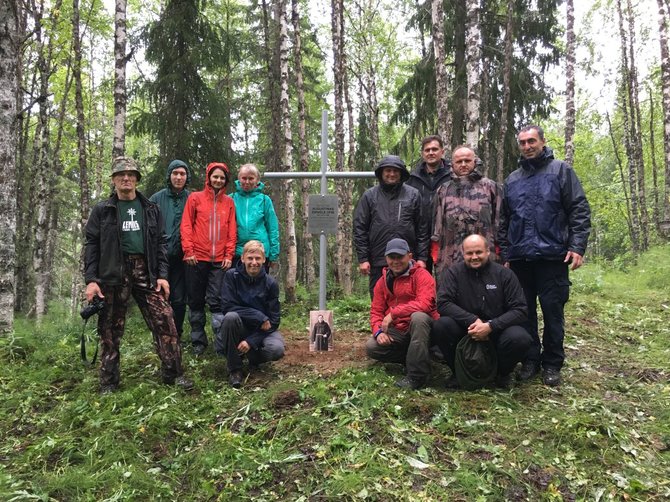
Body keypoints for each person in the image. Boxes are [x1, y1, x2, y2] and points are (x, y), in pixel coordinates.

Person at [83, 156, 193, 393]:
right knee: (110, 329)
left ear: (137, 179)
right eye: (121, 175)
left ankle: (173, 375)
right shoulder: (103, 210)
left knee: (165, 318)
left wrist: (162, 276)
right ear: (113, 179)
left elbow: (161, 243)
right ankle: (109, 383)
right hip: (113, 272)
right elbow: (91, 244)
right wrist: (91, 280)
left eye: (131, 175)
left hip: (146, 269)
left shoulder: (150, 209)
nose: (126, 178)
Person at [498, 125, 591, 386]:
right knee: (523, 312)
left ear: (542, 142)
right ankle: (530, 360)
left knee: (553, 313)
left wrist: (577, 246)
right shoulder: (513, 179)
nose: (527, 147)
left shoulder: (561, 171)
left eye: (531, 141)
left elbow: (579, 210)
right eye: (523, 143)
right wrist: (506, 253)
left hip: (553, 257)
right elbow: (504, 219)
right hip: (519, 259)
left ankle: (552, 363)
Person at [431, 234, 532, 390]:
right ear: (463, 253)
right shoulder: (454, 273)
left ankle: (502, 373)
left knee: (520, 337)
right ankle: (457, 372)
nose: (474, 257)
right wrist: (472, 320)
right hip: (466, 329)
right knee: (441, 325)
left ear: (487, 251)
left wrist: (491, 326)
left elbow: (520, 309)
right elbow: (443, 303)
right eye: (469, 253)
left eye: (478, 252)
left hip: (497, 331)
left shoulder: (504, 274)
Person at [365, 238, 439, 390]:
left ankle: (417, 376)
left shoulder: (422, 276)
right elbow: (376, 311)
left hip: (424, 328)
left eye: (400, 257)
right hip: (398, 330)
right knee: (372, 346)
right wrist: (378, 332)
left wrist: (394, 314)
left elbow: (425, 304)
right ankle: (414, 357)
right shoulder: (382, 281)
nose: (396, 261)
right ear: (386, 259)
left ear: (410, 256)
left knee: (418, 317)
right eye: (392, 257)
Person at [180, 162, 237, 355]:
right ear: (208, 177)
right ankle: (198, 341)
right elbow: (187, 225)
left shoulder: (229, 202)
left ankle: (220, 343)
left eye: (222, 178)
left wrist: (229, 255)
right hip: (196, 259)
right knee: (195, 300)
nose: (218, 180)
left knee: (217, 302)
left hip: (219, 261)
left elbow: (232, 230)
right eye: (215, 177)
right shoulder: (195, 198)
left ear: (226, 180)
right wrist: (188, 250)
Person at [354, 155, 429, 298]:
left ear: (401, 173)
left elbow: (422, 229)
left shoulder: (413, 195)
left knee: (409, 299)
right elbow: (360, 228)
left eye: (396, 171)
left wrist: (422, 258)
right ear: (381, 173)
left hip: (407, 260)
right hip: (379, 259)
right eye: (388, 170)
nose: (392, 174)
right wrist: (363, 259)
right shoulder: (370, 196)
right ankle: (379, 322)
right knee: (379, 298)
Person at [216, 240, 285, 388]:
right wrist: (258, 316)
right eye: (250, 258)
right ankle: (235, 369)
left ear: (264, 260)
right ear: (242, 259)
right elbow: (227, 306)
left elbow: (274, 320)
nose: (254, 262)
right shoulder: (231, 276)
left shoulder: (271, 283)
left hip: (263, 330)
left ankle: (252, 356)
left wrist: (251, 341)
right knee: (230, 317)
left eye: (258, 258)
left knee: (277, 350)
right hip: (239, 325)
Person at [431, 145, 501, 277]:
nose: (463, 164)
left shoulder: (490, 187)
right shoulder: (443, 190)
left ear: (475, 161)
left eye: (467, 161)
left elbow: (500, 223)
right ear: (452, 164)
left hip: (486, 257)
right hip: (451, 258)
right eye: (459, 161)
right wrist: (436, 256)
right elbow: (436, 228)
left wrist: (500, 252)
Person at [149, 159, 191, 340]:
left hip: (183, 258)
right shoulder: (156, 199)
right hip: (161, 258)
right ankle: (162, 335)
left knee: (180, 300)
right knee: (160, 298)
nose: (179, 177)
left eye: (182, 174)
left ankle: (177, 334)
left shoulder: (192, 199)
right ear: (169, 175)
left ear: (186, 176)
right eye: (175, 173)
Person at [406, 135, 452, 274]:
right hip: (420, 238)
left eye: (434, 149)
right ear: (422, 153)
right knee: (420, 279)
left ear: (442, 152)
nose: (431, 153)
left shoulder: (453, 175)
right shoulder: (412, 179)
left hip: (446, 236)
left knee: (447, 279)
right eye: (427, 150)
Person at [230, 163, 280, 271]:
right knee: (237, 286)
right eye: (244, 178)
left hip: (260, 253)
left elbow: (273, 227)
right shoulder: (231, 199)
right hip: (237, 252)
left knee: (260, 287)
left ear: (257, 180)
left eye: (251, 178)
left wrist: (273, 254)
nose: (247, 182)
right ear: (239, 179)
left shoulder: (264, 200)